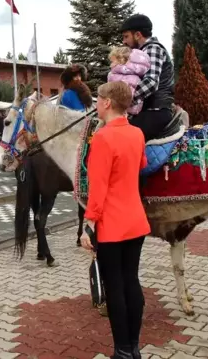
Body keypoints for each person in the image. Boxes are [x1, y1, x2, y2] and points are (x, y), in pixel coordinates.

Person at [79, 81, 151, 358]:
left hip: (111, 224)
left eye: (98, 99)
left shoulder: (103, 138)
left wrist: (89, 225)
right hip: (135, 220)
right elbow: (141, 165)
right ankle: (133, 348)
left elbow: (98, 188)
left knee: (115, 287)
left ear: (107, 103)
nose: (96, 103)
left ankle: (121, 351)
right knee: (131, 280)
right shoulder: (137, 133)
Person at [120, 14, 175, 142]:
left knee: (122, 139)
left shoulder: (152, 48)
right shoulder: (141, 53)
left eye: (126, 36)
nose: (124, 41)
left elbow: (151, 82)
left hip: (156, 110)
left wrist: (123, 100)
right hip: (148, 110)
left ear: (138, 35)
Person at [107, 46, 151, 116]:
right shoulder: (134, 76)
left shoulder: (117, 76)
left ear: (121, 60)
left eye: (112, 61)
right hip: (129, 111)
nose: (110, 65)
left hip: (118, 111)